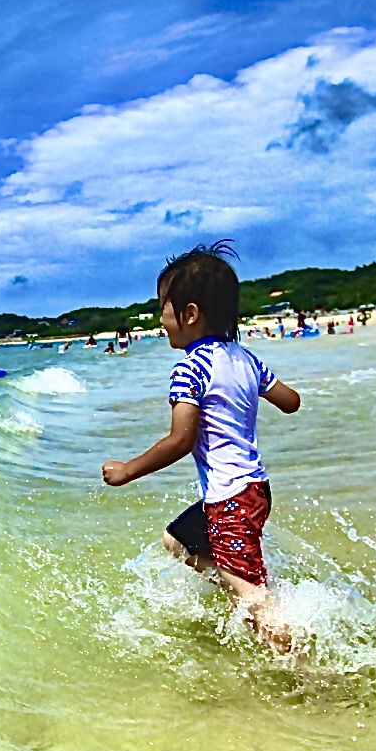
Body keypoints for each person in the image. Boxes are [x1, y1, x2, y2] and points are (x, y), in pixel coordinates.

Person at [101, 241, 302, 648]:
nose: (161, 318)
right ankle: (248, 586)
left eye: (164, 307)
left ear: (190, 314)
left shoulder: (190, 368)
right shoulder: (246, 358)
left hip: (228, 498)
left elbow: (181, 440)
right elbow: (291, 401)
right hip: (255, 490)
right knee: (177, 541)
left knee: (254, 602)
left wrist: (127, 470)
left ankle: (307, 671)